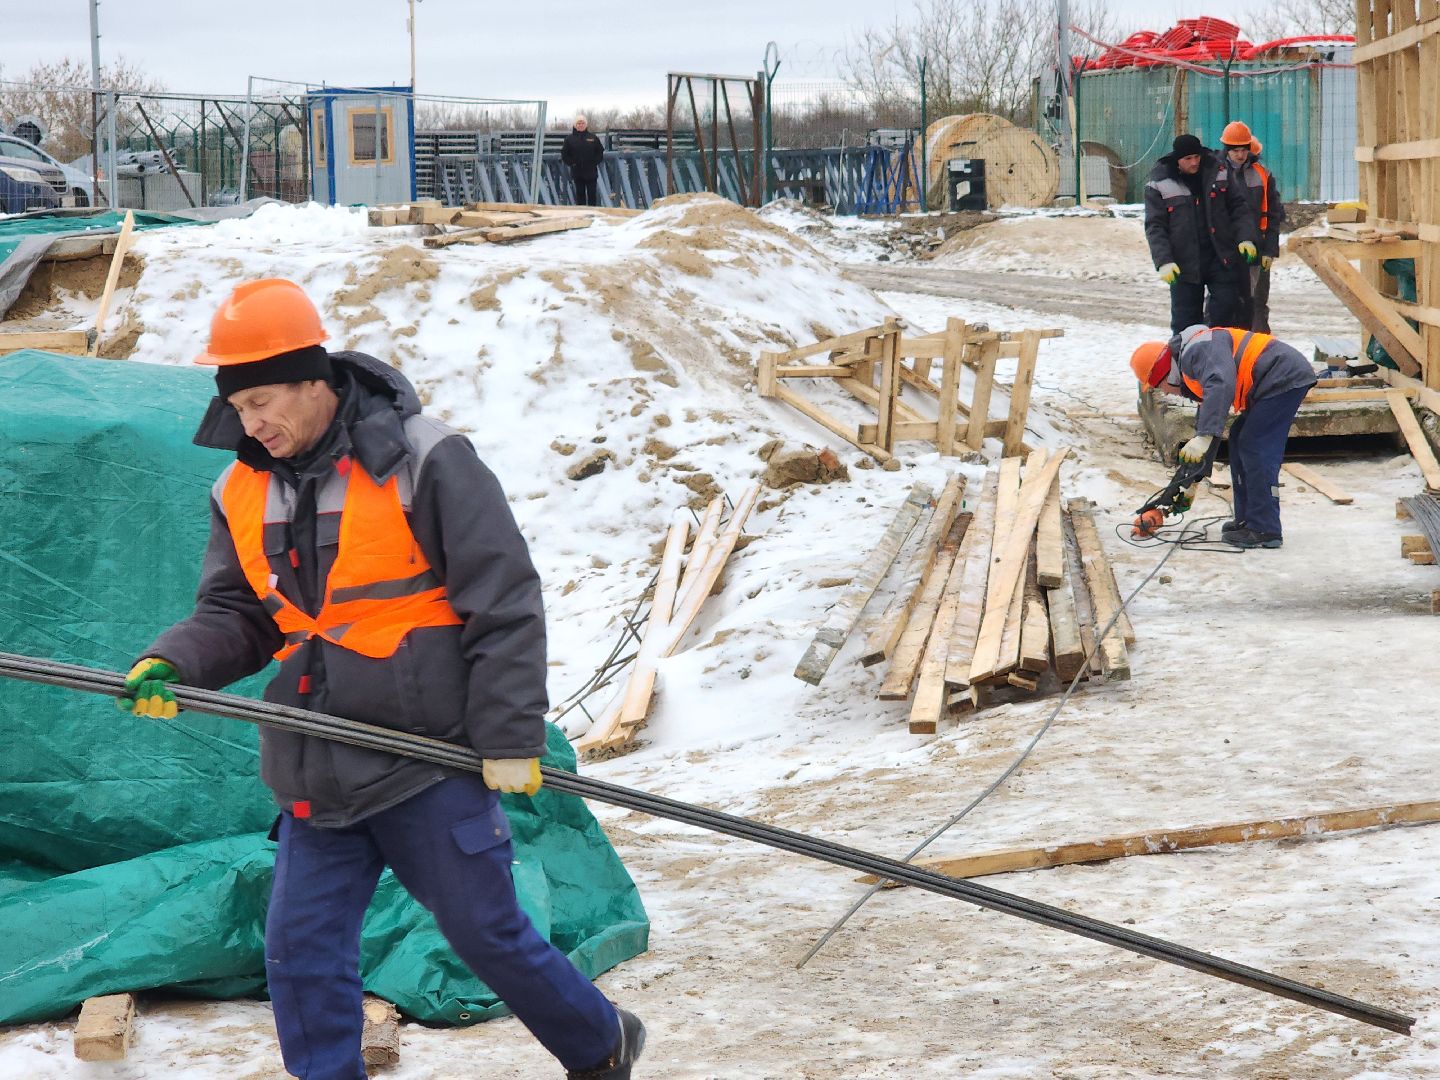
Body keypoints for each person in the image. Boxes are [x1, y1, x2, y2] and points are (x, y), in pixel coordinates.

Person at [116, 279, 645, 1080]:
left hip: (425, 758)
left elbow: (503, 604)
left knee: (483, 933)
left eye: (264, 401)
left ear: (314, 380)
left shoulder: (426, 459)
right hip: (313, 762)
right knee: (298, 954)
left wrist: (509, 738)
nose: (252, 424)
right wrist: (175, 658)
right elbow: (239, 614)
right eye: (240, 406)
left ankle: (600, 1042)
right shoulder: (240, 488)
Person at [1130, 324, 1317, 549]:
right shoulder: (1192, 363)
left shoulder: (1195, 353)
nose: (1167, 393)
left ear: (1164, 374)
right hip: (1270, 380)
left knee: (1254, 445)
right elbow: (1210, 413)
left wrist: (1204, 436)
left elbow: (1220, 384)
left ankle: (1264, 528)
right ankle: (1247, 520)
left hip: (1282, 376)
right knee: (1239, 438)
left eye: (1161, 387)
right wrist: (1190, 482)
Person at [1144, 132, 1258, 334]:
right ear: (1177, 160)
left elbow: (1239, 207)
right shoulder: (1160, 182)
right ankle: (1186, 361)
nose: (1194, 162)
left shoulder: (1218, 171)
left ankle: (1221, 356)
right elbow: (1155, 225)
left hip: (1220, 256)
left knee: (1226, 311)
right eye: (1188, 159)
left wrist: (1245, 238)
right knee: (1185, 324)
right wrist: (1164, 261)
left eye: (1197, 157)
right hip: (1184, 262)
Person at [1220, 130, 1286, 333]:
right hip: (1225, 249)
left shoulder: (1262, 175)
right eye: (1235, 150)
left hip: (1256, 250)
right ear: (1227, 150)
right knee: (1222, 301)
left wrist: (1270, 250)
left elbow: (1274, 215)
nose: (1240, 155)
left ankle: (1258, 348)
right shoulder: (1217, 173)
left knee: (1256, 302)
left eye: (1243, 150)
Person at [562, 116, 605, 207]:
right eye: (578, 123)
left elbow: (600, 152)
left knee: (592, 195)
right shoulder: (569, 139)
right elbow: (564, 154)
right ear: (575, 125)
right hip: (577, 172)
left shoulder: (593, 138)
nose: (581, 125)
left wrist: (594, 162)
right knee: (580, 195)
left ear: (586, 125)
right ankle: (582, 215)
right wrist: (572, 163)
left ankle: (593, 215)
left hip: (591, 172)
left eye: (582, 123)